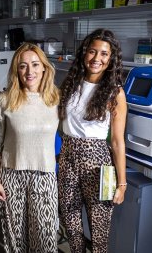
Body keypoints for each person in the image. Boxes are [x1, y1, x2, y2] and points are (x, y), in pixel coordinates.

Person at [57, 28, 127, 253]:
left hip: (98, 164)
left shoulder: (115, 93)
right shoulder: (70, 84)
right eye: (92, 52)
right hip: (67, 159)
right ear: (84, 53)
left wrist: (122, 183)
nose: (97, 58)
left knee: (99, 231)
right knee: (71, 226)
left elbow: (117, 142)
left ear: (111, 59)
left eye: (104, 54)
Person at [0, 42, 60, 252]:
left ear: (44, 68)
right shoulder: (5, 100)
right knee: (15, 240)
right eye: (23, 66)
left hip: (44, 176)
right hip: (12, 176)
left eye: (35, 65)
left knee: (45, 239)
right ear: (16, 70)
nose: (30, 71)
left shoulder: (56, 99)